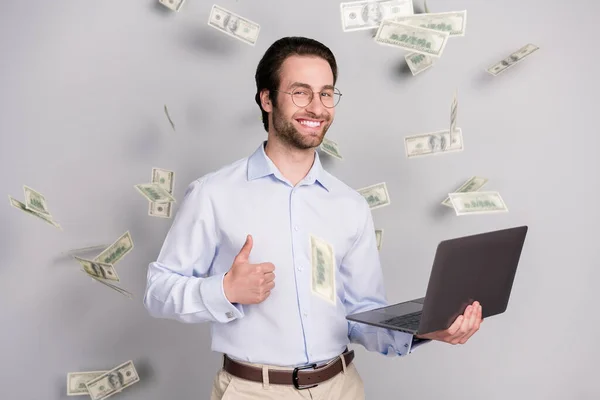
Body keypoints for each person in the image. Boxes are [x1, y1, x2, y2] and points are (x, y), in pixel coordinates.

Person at [143, 36, 483, 400]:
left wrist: (427, 330)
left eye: (326, 93)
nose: (317, 107)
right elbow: (157, 291)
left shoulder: (349, 205)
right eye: (301, 92)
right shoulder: (213, 194)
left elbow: (362, 315)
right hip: (253, 392)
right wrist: (224, 290)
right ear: (267, 99)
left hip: (342, 388)